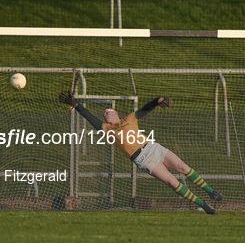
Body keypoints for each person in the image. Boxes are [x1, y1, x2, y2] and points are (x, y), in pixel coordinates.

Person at [59, 92, 223, 214]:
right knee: (172, 182)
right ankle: (203, 205)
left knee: (182, 166)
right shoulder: (108, 129)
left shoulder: (129, 118)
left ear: (116, 113)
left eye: (108, 111)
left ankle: (211, 191)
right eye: (104, 113)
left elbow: (145, 109)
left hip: (152, 147)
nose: (105, 113)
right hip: (143, 159)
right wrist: (76, 104)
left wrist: (158, 101)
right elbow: (90, 118)